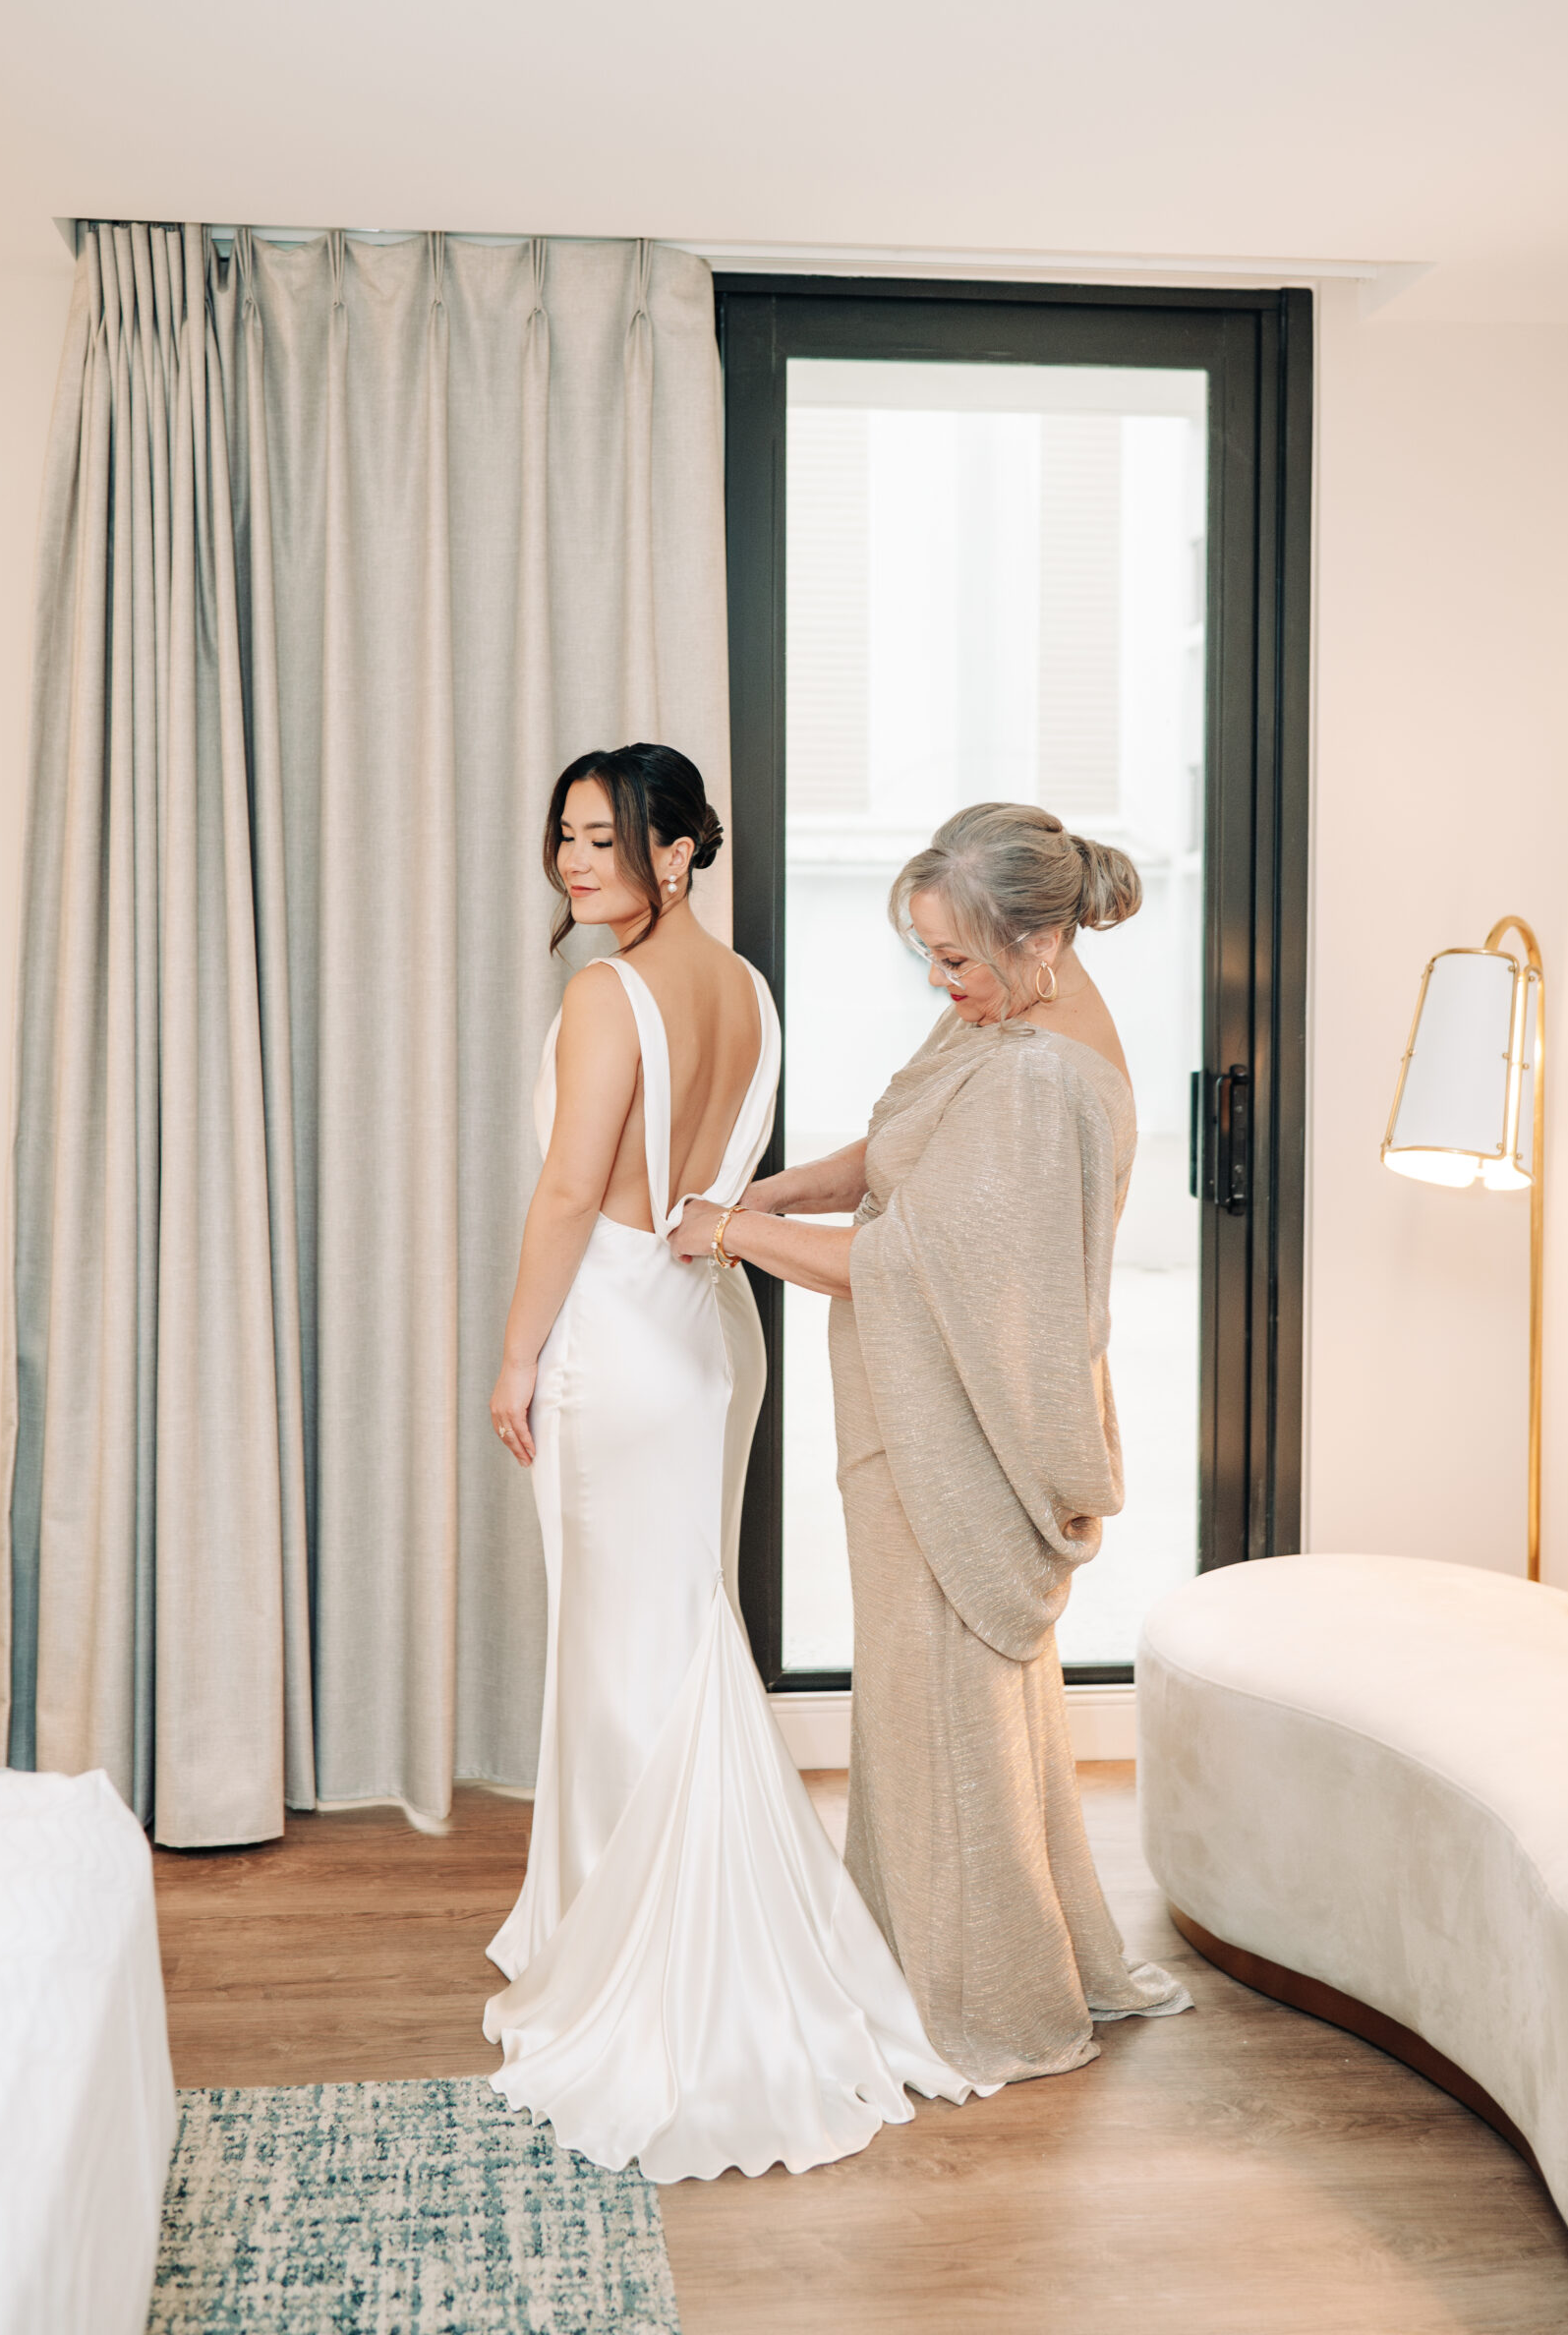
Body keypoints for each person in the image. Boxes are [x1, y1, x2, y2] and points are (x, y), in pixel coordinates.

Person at [485, 744, 979, 2182]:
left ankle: (639, 1953)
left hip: (617, 1346)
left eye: (610, 841)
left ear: (682, 853)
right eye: (566, 837)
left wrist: (517, 1356)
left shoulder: (602, 995)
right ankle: (645, 1920)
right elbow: (711, 1185)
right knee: (676, 1633)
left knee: (623, 1650)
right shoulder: (751, 990)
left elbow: (574, 1190)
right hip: (708, 1337)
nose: (579, 864)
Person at [670, 801, 1191, 2085]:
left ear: (1046, 940)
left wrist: (728, 1234)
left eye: (956, 957)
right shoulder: (1002, 1018)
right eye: (927, 952)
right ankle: (984, 1957)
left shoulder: (1035, 1078)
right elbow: (906, 1151)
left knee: (948, 1719)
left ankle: (983, 2002)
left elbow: (908, 1264)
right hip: (938, 1412)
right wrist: (774, 1192)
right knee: (948, 1717)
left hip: (964, 1432)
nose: (937, 981)